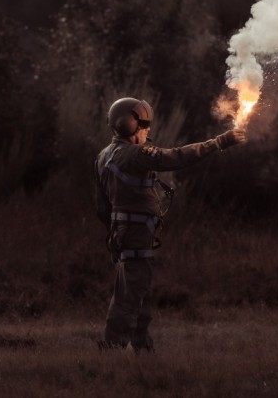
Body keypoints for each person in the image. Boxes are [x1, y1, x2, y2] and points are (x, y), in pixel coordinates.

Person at [94, 97, 246, 352]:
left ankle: (143, 348)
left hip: (122, 234)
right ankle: (112, 349)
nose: (148, 131)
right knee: (129, 295)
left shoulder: (103, 156)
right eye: (144, 126)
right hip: (135, 233)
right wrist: (219, 142)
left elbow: (101, 207)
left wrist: (115, 233)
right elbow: (177, 157)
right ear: (130, 125)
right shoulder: (135, 155)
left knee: (137, 290)